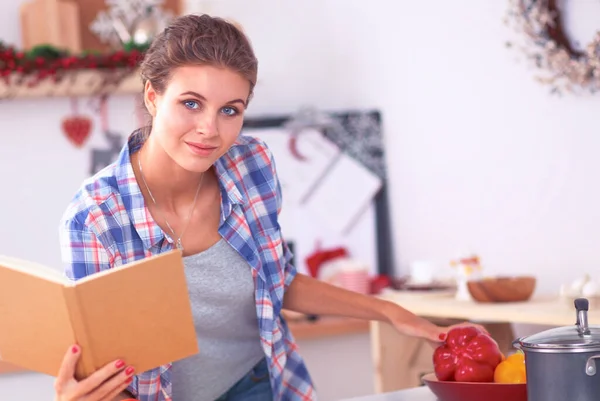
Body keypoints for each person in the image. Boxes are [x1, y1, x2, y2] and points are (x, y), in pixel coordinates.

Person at [54, 13, 485, 401]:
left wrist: (392, 313)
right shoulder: (95, 219)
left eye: (230, 110)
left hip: (260, 383)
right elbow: (106, 367)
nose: (209, 130)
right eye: (191, 103)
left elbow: (276, 280)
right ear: (152, 96)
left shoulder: (250, 164)